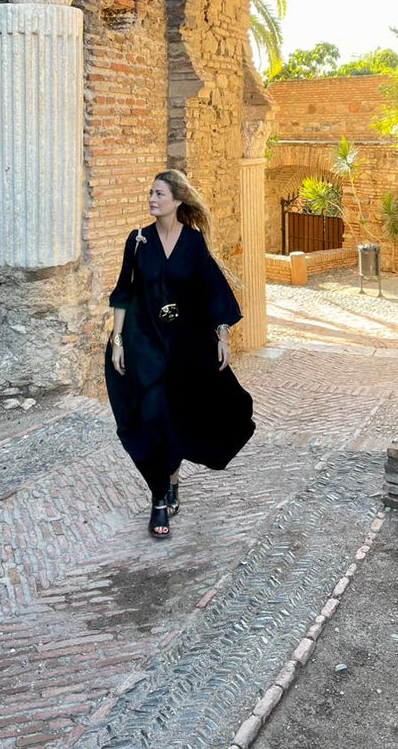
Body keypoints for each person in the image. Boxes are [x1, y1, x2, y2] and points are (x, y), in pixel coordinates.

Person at [105, 169, 255, 540]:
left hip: (184, 345)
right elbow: (123, 292)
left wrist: (222, 334)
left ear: (177, 200)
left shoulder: (193, 242)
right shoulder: (138, 241)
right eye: (150, 193)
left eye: (159, 193)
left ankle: (172, 476)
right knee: (151, 415)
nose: (152, 199)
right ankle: (159, 497)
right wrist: (118, 340)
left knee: (175, 415)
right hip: (143, 341)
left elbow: (213, 289)